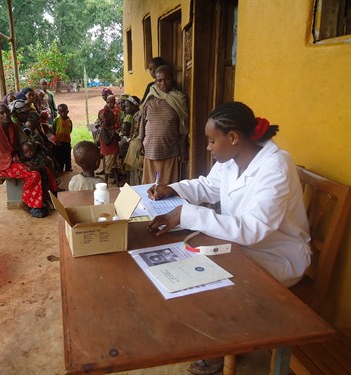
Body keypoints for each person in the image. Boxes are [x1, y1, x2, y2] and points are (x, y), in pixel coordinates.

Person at [146, 101, 311, 375]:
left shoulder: (275, 167)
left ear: (233, 137)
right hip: (243, 246)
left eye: (212, 140)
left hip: (277, 254)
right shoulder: (232, 159)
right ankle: (219, 336)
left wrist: (185, 215)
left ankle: (221, 343)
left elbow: (252, 229)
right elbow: (208, 186)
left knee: (203, 276)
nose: (208, 147)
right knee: (188, 260)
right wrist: (172, 189)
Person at [0, 102, 51, 218]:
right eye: (1, 113)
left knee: (41, 166)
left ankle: (40, 199)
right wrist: (23, 162)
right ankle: (28, 203)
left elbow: (24, 141)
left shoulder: (13, 126)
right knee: (33, 174)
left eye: (7, 112)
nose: (5, 115)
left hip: (13, 159)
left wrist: (28, 152)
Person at [139, 65, 188, 185]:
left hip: (170, 151)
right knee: (149, 186)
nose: (163, 83)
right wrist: (140, 142)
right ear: (155, 81)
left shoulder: (178, 100)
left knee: (168, 186)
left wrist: (183, 147)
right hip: (150, 149)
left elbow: (183, 126)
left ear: (172, 79)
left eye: (167, 79)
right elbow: (142, 123)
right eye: (159, 80)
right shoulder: (150, 100)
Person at [98, 108, 120, 184]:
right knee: (108, 169)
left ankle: (116, 183)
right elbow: (106, 142)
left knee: (115, 168)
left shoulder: (110, 127)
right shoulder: (104, 129)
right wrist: (113, 135)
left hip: (113, 151)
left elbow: (118, 138)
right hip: (109, 151)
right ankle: (106, 184)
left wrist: (115, 135)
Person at [52, 103, 73, 173]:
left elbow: (70, 129)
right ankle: (60, 168)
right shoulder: (57, 120)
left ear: (67, 111)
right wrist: (56, 137)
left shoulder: (69, 121)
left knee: (67, 155)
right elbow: (53, 129)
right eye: (61, 112)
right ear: (58, 113)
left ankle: (68, 167)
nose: (63, 113)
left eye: (64, 111)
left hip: (67, 141)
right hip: (59, 142)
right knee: (60, 155)